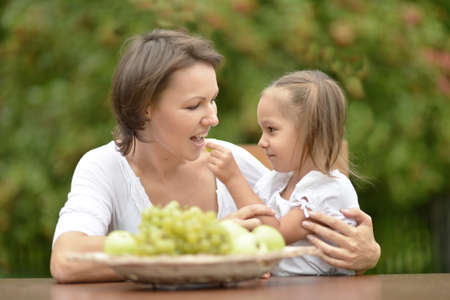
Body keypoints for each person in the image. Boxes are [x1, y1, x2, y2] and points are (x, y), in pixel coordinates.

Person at [50, 29, 380, 283]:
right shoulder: (103, 168)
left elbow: (316, 218)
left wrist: (368, 253)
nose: (213, 118)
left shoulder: (229, 161)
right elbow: (67, 259)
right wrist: (205, 247)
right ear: (144, 108)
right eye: (194, 105)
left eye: (213, 100)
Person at [207, 70, 364, 276]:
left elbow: (275, 234)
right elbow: (255, 228)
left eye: (271, 130)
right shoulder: (277, 181)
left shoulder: (330, 189)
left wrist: (234, 179)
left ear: (311, 131)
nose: (262, 142)